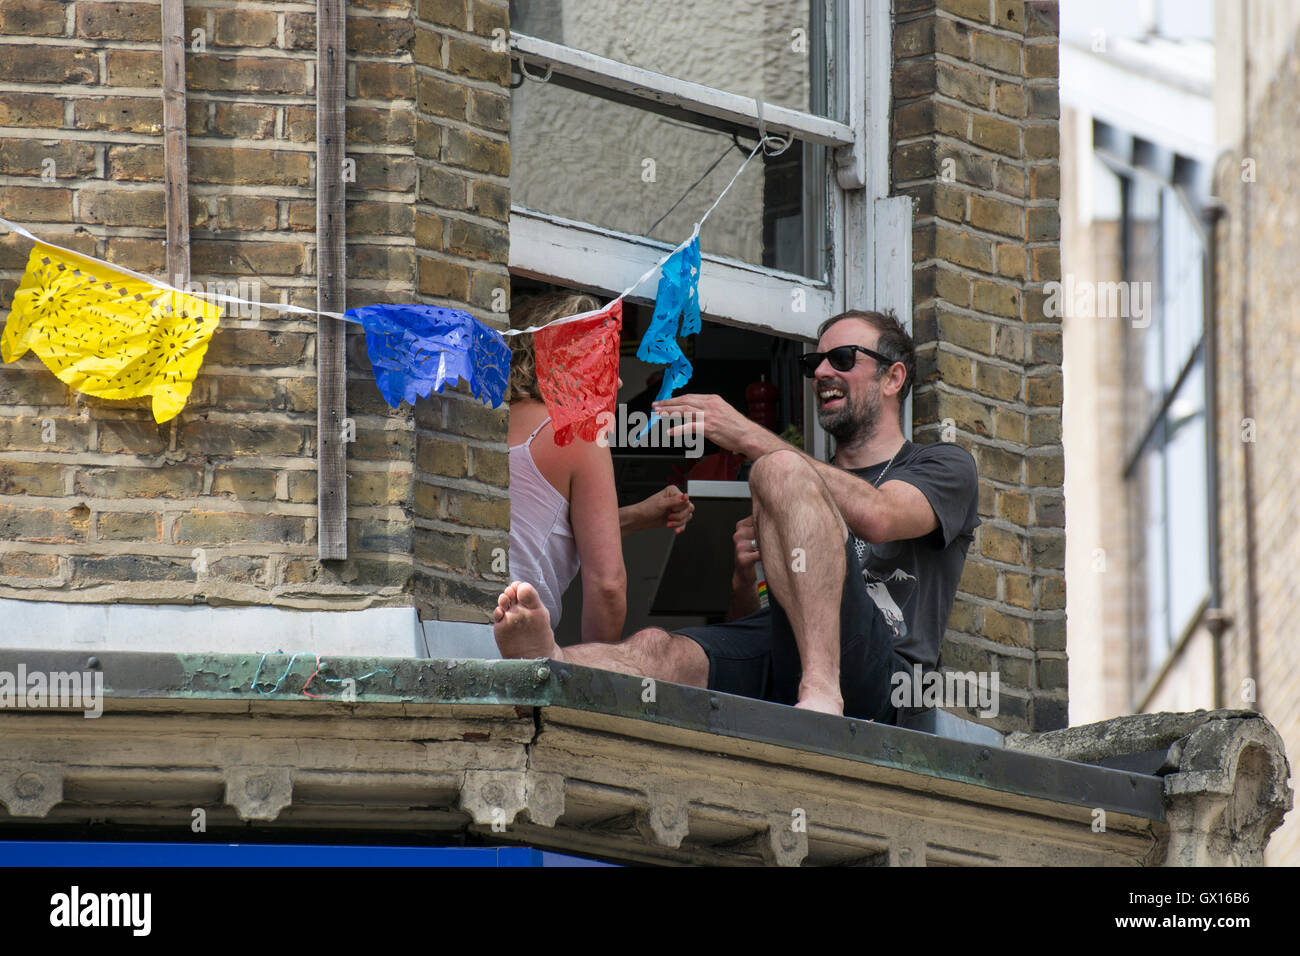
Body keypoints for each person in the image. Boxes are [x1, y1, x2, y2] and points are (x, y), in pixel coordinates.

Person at [493, 309, 980, 721]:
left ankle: (822, 694)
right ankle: (553, 662)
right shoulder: (796, 489)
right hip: (785, 659)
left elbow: (879, 514)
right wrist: (744, 586)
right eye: (815, 363)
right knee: (657, 647)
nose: (823, 372)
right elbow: (752, 622)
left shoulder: (942, 465)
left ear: (893, 377)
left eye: (843, 359)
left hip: (885, 682)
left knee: (778, 469)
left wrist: (747, 435)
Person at [506, 292, 695, 644]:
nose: (620, 383)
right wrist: (595, 674)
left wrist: (636, 516)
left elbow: (532, 528)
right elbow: (607, 585)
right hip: (514, 647)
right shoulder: (577, 431)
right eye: (605, 361)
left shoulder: (481, 423)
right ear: (569, 361)